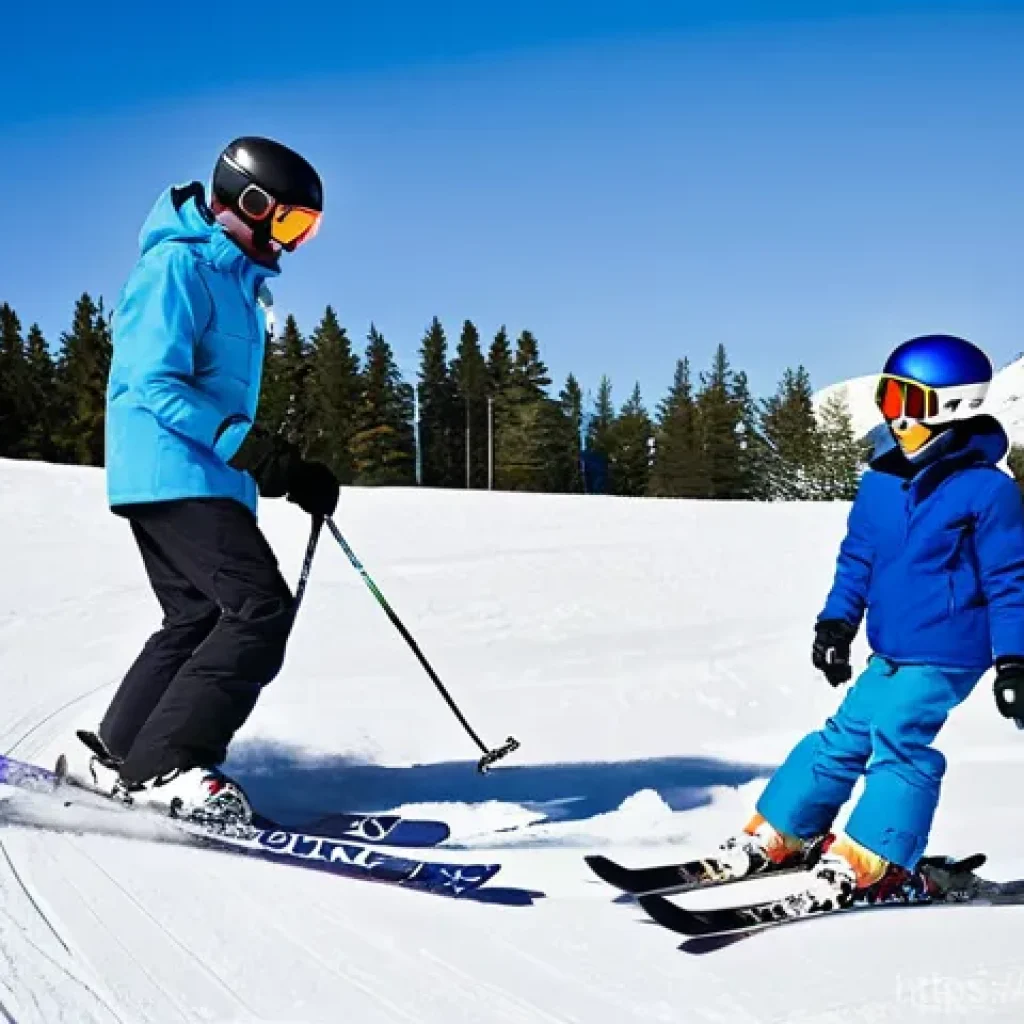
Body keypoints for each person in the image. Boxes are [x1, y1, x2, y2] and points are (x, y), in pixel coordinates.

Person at [73, 137, 340, 824]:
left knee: (194, 616)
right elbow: (152, 378)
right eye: (287, 223)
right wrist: (250, 447)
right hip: (174, 469)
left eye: (304, 230)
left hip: (193, 474)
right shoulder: (176, 268)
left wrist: (285, 470)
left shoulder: (232, 280)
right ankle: (166, 765)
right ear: (248, 204)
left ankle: (118, 752)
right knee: (259, 609)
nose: (293, 243)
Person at [717, 334, 1024, 901]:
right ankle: (785, 832)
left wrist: (1014, 660)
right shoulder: (881, 479)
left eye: (914, 402)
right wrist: (836, 624)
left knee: (900, 738)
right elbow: (858, 558)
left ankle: (871, 859)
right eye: (889, 399)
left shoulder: (987, 490)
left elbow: (1011, 581)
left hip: (949, 649)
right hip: (891, 646)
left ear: (954, 406)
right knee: (842, 736)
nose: (899, 417)